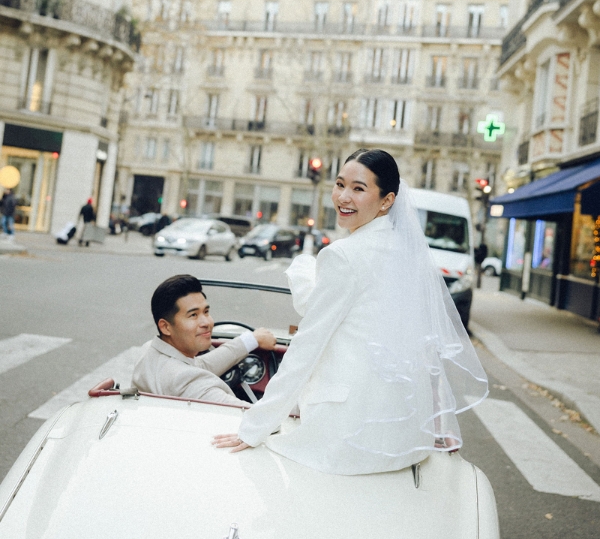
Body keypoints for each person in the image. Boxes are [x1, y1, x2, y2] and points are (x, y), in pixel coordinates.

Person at [214, 149, 488, 475]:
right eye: (340, 184)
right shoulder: (406, 250)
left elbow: (306, 347)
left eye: (358, 189)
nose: (343, 197)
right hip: (402, 438)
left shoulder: (343, 256)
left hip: (348, 436)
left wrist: (255, 427)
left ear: (387, 201)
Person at [132, 274, 277, 405]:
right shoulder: (187, 383)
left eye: (206, 312)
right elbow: (258, 422)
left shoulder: (149, 350)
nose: (206, 322)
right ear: (165, 327)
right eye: (193, 315)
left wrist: (251, 339)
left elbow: (198, 365)